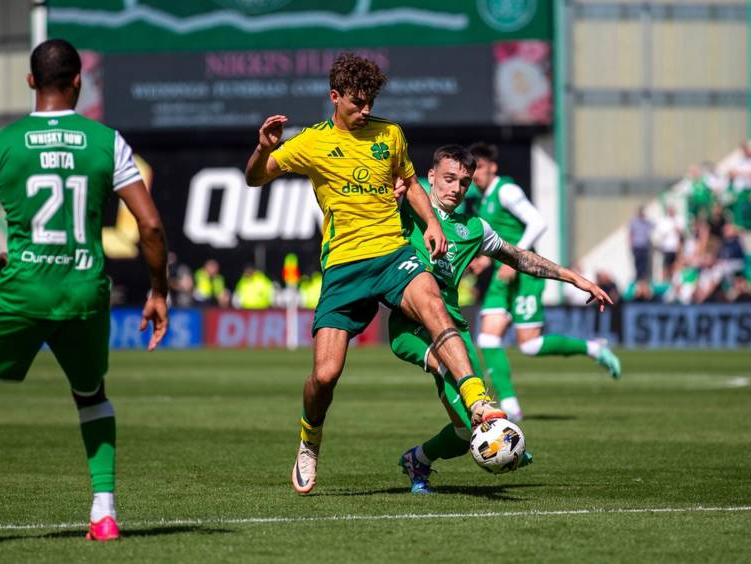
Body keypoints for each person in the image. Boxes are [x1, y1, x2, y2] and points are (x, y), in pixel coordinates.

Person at [244, 53, 504, 495]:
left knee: (432, 305)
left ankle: (477, 398)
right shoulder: (310, 143)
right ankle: (310, 440)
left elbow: (413, 183)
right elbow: (254, 179)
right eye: (357, 102)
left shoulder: (390, 134)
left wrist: (434, 224)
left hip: (392, 254)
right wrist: (264, 149)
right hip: (344, 266)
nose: (366, 110)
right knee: (325, 376)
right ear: (335, 97)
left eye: (370, 101)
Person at [0, 39, 168, 540]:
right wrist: (158, 291)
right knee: (91, 395)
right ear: (78, 82)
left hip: (22, 287)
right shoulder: (107, 141)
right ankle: (104, 513)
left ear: (29, 82)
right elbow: (149, 227)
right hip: (84, 290)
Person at [388, 146, 614, 493]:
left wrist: (575, 278)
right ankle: (491, 429)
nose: (456, 188)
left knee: (466, 432)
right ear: (430, 176)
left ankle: (418, 459)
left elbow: (520, 258)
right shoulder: (409, 204)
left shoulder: (474, 229)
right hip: (410, 324)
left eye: (464, 182)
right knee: (468, 399)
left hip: (452, 327)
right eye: (448, 179)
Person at [468, 142, 621, 422]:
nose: (475, 173)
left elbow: (537, 223)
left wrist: (517, 260)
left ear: (493, 167)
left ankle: (593, 348)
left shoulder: (507, 191)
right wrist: (487, 260)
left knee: (530, 346)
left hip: (525, 273)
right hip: (504, 274)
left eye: (480, 166)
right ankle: (511, 407)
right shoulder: (482, 197)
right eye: (472, 167)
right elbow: (501, 238)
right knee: (487, 338)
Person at [628, 205, 654, 281]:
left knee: (645, 264)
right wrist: (631, 245)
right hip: (636, 246)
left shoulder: (646, 222)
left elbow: (654, 225)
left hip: (644, 246)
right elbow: (630, 234)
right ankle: (638, 279)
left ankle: (644, 279)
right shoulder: (633, 222)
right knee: (637, 264)